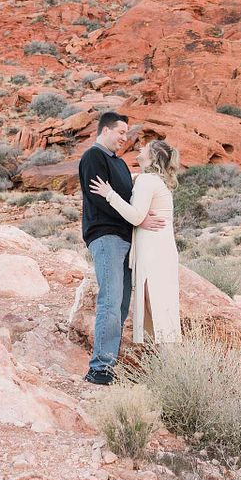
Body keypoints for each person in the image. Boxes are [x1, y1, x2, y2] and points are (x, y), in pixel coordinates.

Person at [78, 113, 165, 385]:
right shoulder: (94, 157)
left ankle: (109, 365)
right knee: (111, 301)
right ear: (105, 130)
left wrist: (140, 217)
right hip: (107, 237)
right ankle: (100, 368)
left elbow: (129, 203)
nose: (125, 138)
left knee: (122, 304)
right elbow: (100, 200)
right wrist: (137, 219)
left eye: (127, 133)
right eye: (121, 132)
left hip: (127, 240)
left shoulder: (120, 164)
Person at [89, 139, 182, 348]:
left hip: (154, 250)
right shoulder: (151, 180)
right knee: (158, 306)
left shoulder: (147, 181)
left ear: (152, 156)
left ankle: (170, 361)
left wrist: (109, 195)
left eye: (145, 147)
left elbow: (136, 215)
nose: (140, 148)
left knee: (155, 306)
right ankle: (166, 360)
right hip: (159, 248)